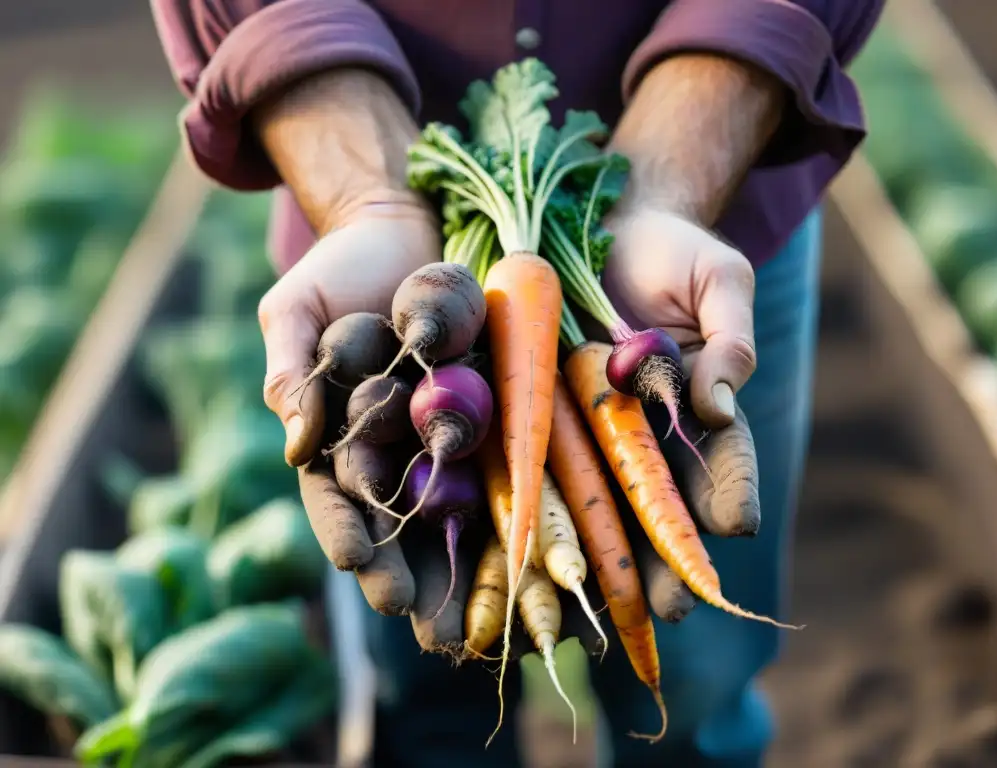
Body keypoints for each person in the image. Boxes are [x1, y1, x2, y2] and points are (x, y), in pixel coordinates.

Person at [151, 1, 885, 765]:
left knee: (696, 678)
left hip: (708, 221)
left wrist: (667, 183)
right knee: (426, 686)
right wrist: (366, 197)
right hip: (380, 276)